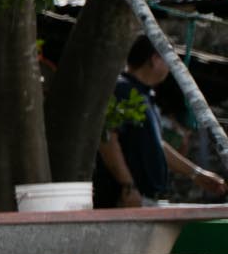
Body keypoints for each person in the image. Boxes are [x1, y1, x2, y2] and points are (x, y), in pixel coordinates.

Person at [94, 36, 228, 206]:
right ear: (155, 59)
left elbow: (156, 145)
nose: (170, 68)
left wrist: (196, 173)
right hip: (125, 197)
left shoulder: (144, 95)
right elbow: (108, 139)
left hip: (144, 197)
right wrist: (127, 185)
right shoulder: (123, 90)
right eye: (168, 60)